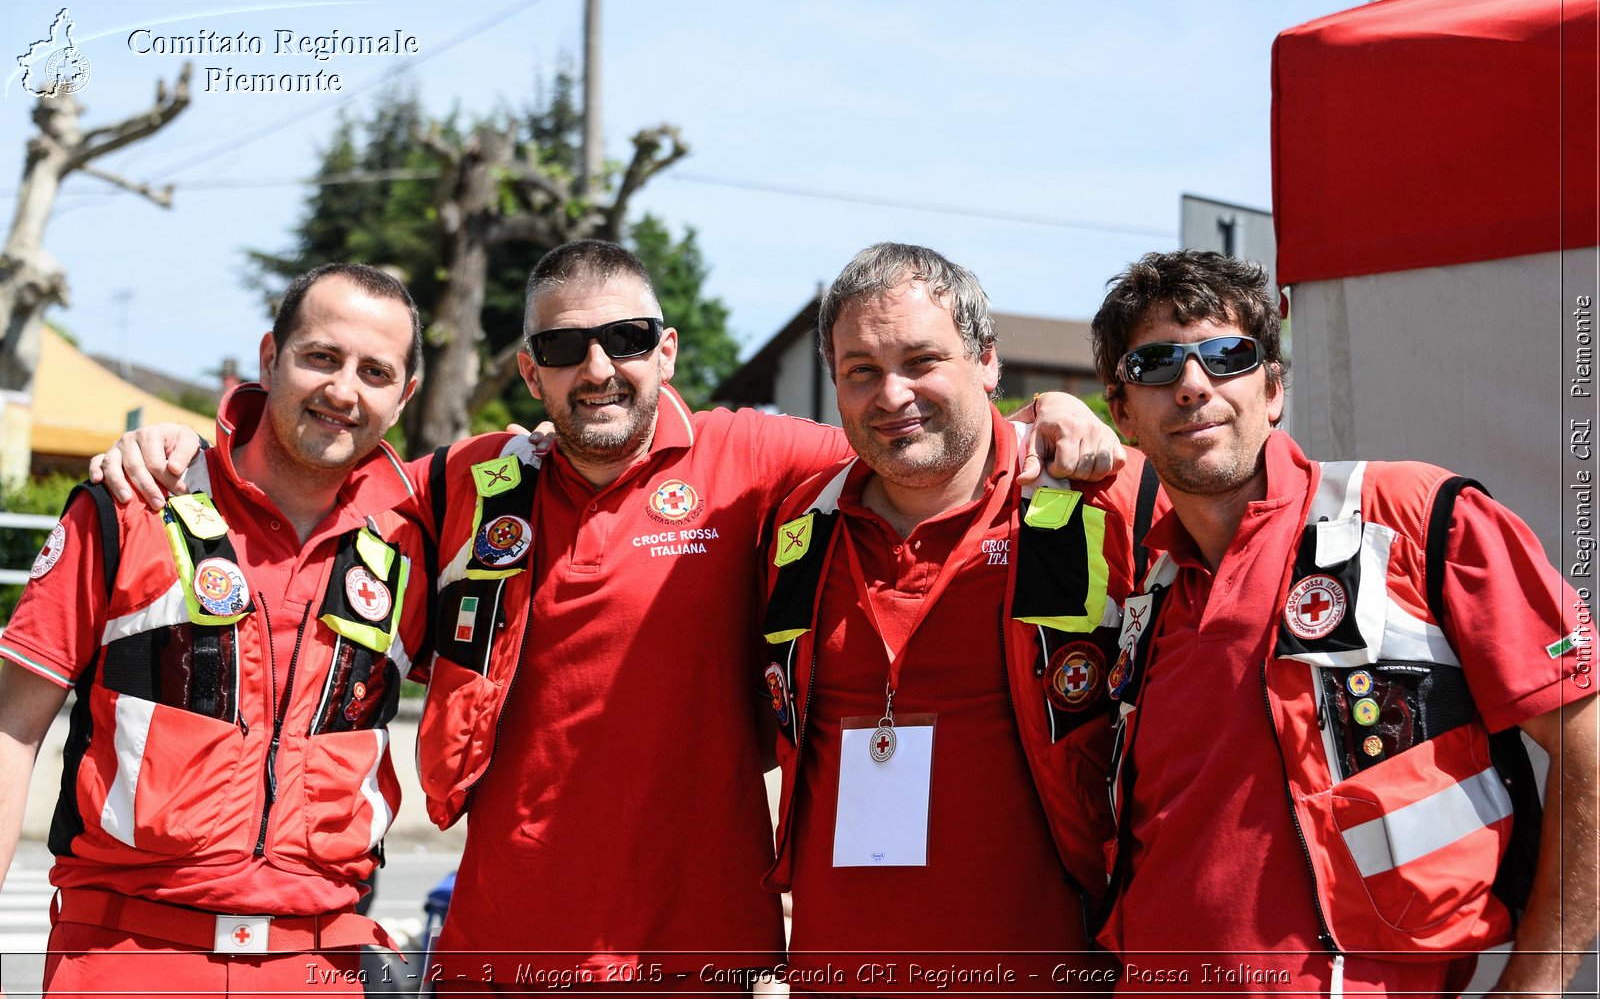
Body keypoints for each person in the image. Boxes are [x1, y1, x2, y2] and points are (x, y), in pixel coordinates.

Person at [92, 240, 1126, 993]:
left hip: (701, 951)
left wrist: (1052, 415)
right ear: (528, 369)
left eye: (626, 338)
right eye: (566, 346)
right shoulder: (464, 481)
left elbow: (920, 440)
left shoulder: (759, 462)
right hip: (503, 951)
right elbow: (308, 477)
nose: (600, 367)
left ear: (666, 351)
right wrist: (184, 441)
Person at [1090, 249, 1598, 996]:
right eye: (1157, 365)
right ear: (1123, 410)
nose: (1193, 386)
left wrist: (1537, 983)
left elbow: (1588, 743)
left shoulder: (1413, 514)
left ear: (1272, 389)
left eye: (1227, 356)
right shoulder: (1145, 593)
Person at [0, 263, 431, 997]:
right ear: (270, 356)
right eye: (320, 357)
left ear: (405, 395)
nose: (343, 390)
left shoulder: (417, 543)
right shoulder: (133, 502)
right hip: (123, 955)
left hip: (322, 966)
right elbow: (11, 728)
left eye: (374, 371)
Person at [758, 243, 1144, 994]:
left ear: (988, 362)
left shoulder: (1094, 500)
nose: (892, 393)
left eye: (921, 360)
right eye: (861, 369)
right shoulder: (796, 527)